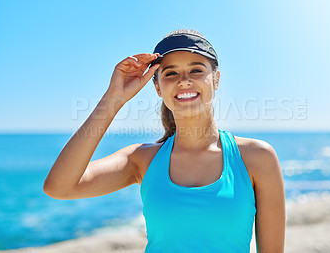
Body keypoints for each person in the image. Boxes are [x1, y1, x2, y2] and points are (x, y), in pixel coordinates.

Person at [43, 29, 286, 252]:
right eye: (171, 73)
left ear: (216, 79)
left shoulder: (257, 158)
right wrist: (114, 98)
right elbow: (59, 187)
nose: (184, 80)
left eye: (196, 70)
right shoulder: (141, 160)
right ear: (158, 87)